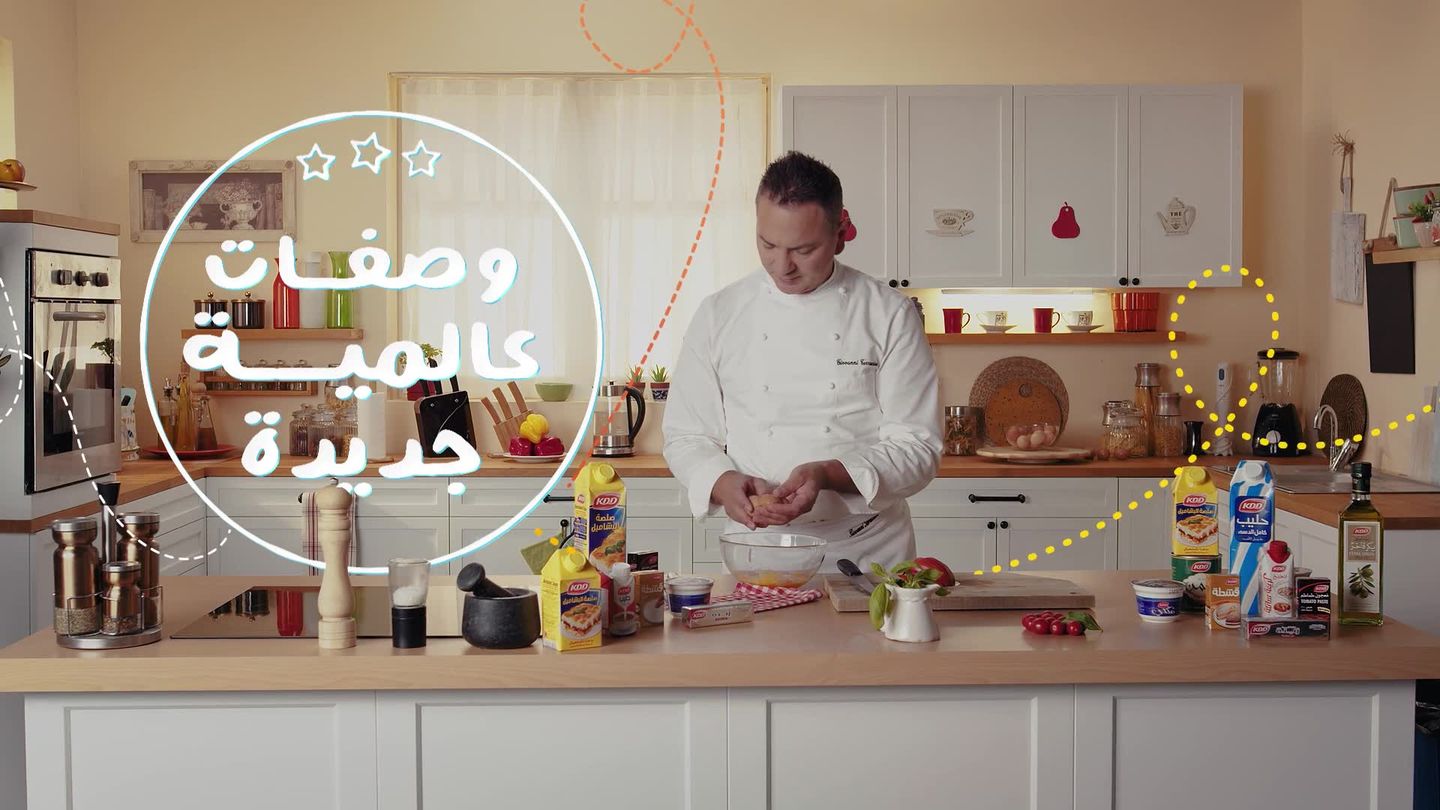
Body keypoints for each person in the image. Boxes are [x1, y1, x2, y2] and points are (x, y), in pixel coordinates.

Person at [662, 150, 941, 570]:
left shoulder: (888, 314)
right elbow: (687, 435)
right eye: (767, 244)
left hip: (866, 549)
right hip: (758, 547)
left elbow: (917, 447)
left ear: (840, 233)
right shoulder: (718, 314)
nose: (782, 266)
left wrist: (828, 474)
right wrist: (721, 481)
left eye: (803, 249)